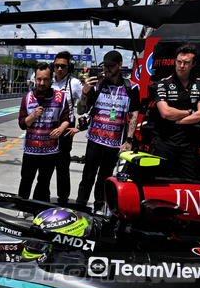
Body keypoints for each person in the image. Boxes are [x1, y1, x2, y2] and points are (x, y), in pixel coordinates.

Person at [76, 50, 140, 212]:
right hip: (94, 140)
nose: (107, 69)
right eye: (105, 66)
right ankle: (80, 207)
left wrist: (129, 140)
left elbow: (134, 114)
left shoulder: (131, 87)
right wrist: (85, 92)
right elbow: (81, 110)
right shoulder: (97, 85)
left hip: (114, 143)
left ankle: (99, 208)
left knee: (104, 178)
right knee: (87, 177)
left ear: (120, 65)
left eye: (111, 66)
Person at [149, 44, 200, 180]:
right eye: (179, 62)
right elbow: (166, 113)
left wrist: (177, 119)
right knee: (160, 184)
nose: (181, 66)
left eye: (186, 63)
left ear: (193, 64)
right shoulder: (163, 83)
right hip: (164, 143)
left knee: (188, 185)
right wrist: (190, 112)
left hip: (186, 145)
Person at [17, 63, 71, 202]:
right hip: (31, 150)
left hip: (50, 150)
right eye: (39, 79)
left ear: (51, 79)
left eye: (45, 79)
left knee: (44, 182)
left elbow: (66, 119)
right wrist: (33, 116)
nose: (42, 83)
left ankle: (37, 205)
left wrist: (60, 129)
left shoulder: (60, 97)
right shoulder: (27, 98)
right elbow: (22, 124)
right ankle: (22, 204)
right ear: (35, 79)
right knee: (26, 179)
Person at [49, 51, 83, 205]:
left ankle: (63, 201)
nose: (59, 69)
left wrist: (80, 127)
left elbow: (85, 107)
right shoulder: (48, 81)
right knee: (45, 167)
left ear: (69, 67)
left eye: (63, 66)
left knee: (62, 168)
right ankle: (43, 198)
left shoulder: (74, 83)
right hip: (48, 129)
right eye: (57, 66)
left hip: (65, 129)